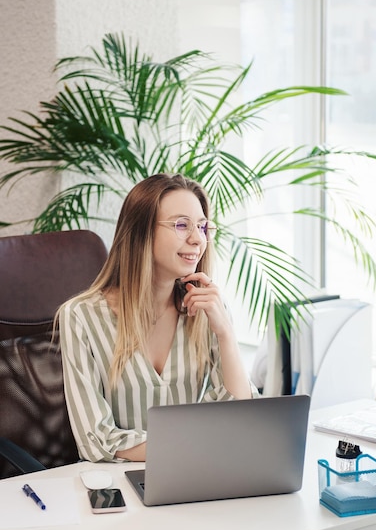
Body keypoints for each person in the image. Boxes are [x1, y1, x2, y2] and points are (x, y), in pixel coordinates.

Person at [59, 173, 257, 463]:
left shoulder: (206, 307)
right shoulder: (80, 317)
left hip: (196, 475)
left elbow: (241, 417)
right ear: (141, 232)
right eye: (181, 225)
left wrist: (226, 334)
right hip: (121, 485)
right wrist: (195, 447)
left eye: (202, 227)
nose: (196, 239)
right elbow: (96, 440)